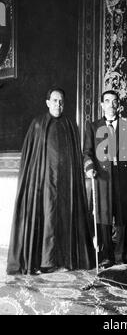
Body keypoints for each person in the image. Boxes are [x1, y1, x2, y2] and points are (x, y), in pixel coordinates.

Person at [7, 88, 95, 275]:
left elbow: (75, 157)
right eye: (54, 101)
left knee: (63, 220)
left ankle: (63, 260)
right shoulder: (38, 125)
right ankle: (44, 262)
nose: (58, 104)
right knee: (46, 219)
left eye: (61, 101)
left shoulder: (70, 125)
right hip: (43, 185)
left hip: (65, 185)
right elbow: (31, 158)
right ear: (48, 102)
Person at [83, 90, 127, 269]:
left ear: (118, 104)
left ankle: (121, 256)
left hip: (122, 177)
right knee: (104, 216)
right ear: (101, 105)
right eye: (107, 101)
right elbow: (87, 152)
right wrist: (90, 167)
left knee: (122, 215)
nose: (111, 105)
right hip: (102, 177)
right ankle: (106, 257)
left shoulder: (126, 125)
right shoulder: (92, 126)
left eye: (114, 101)